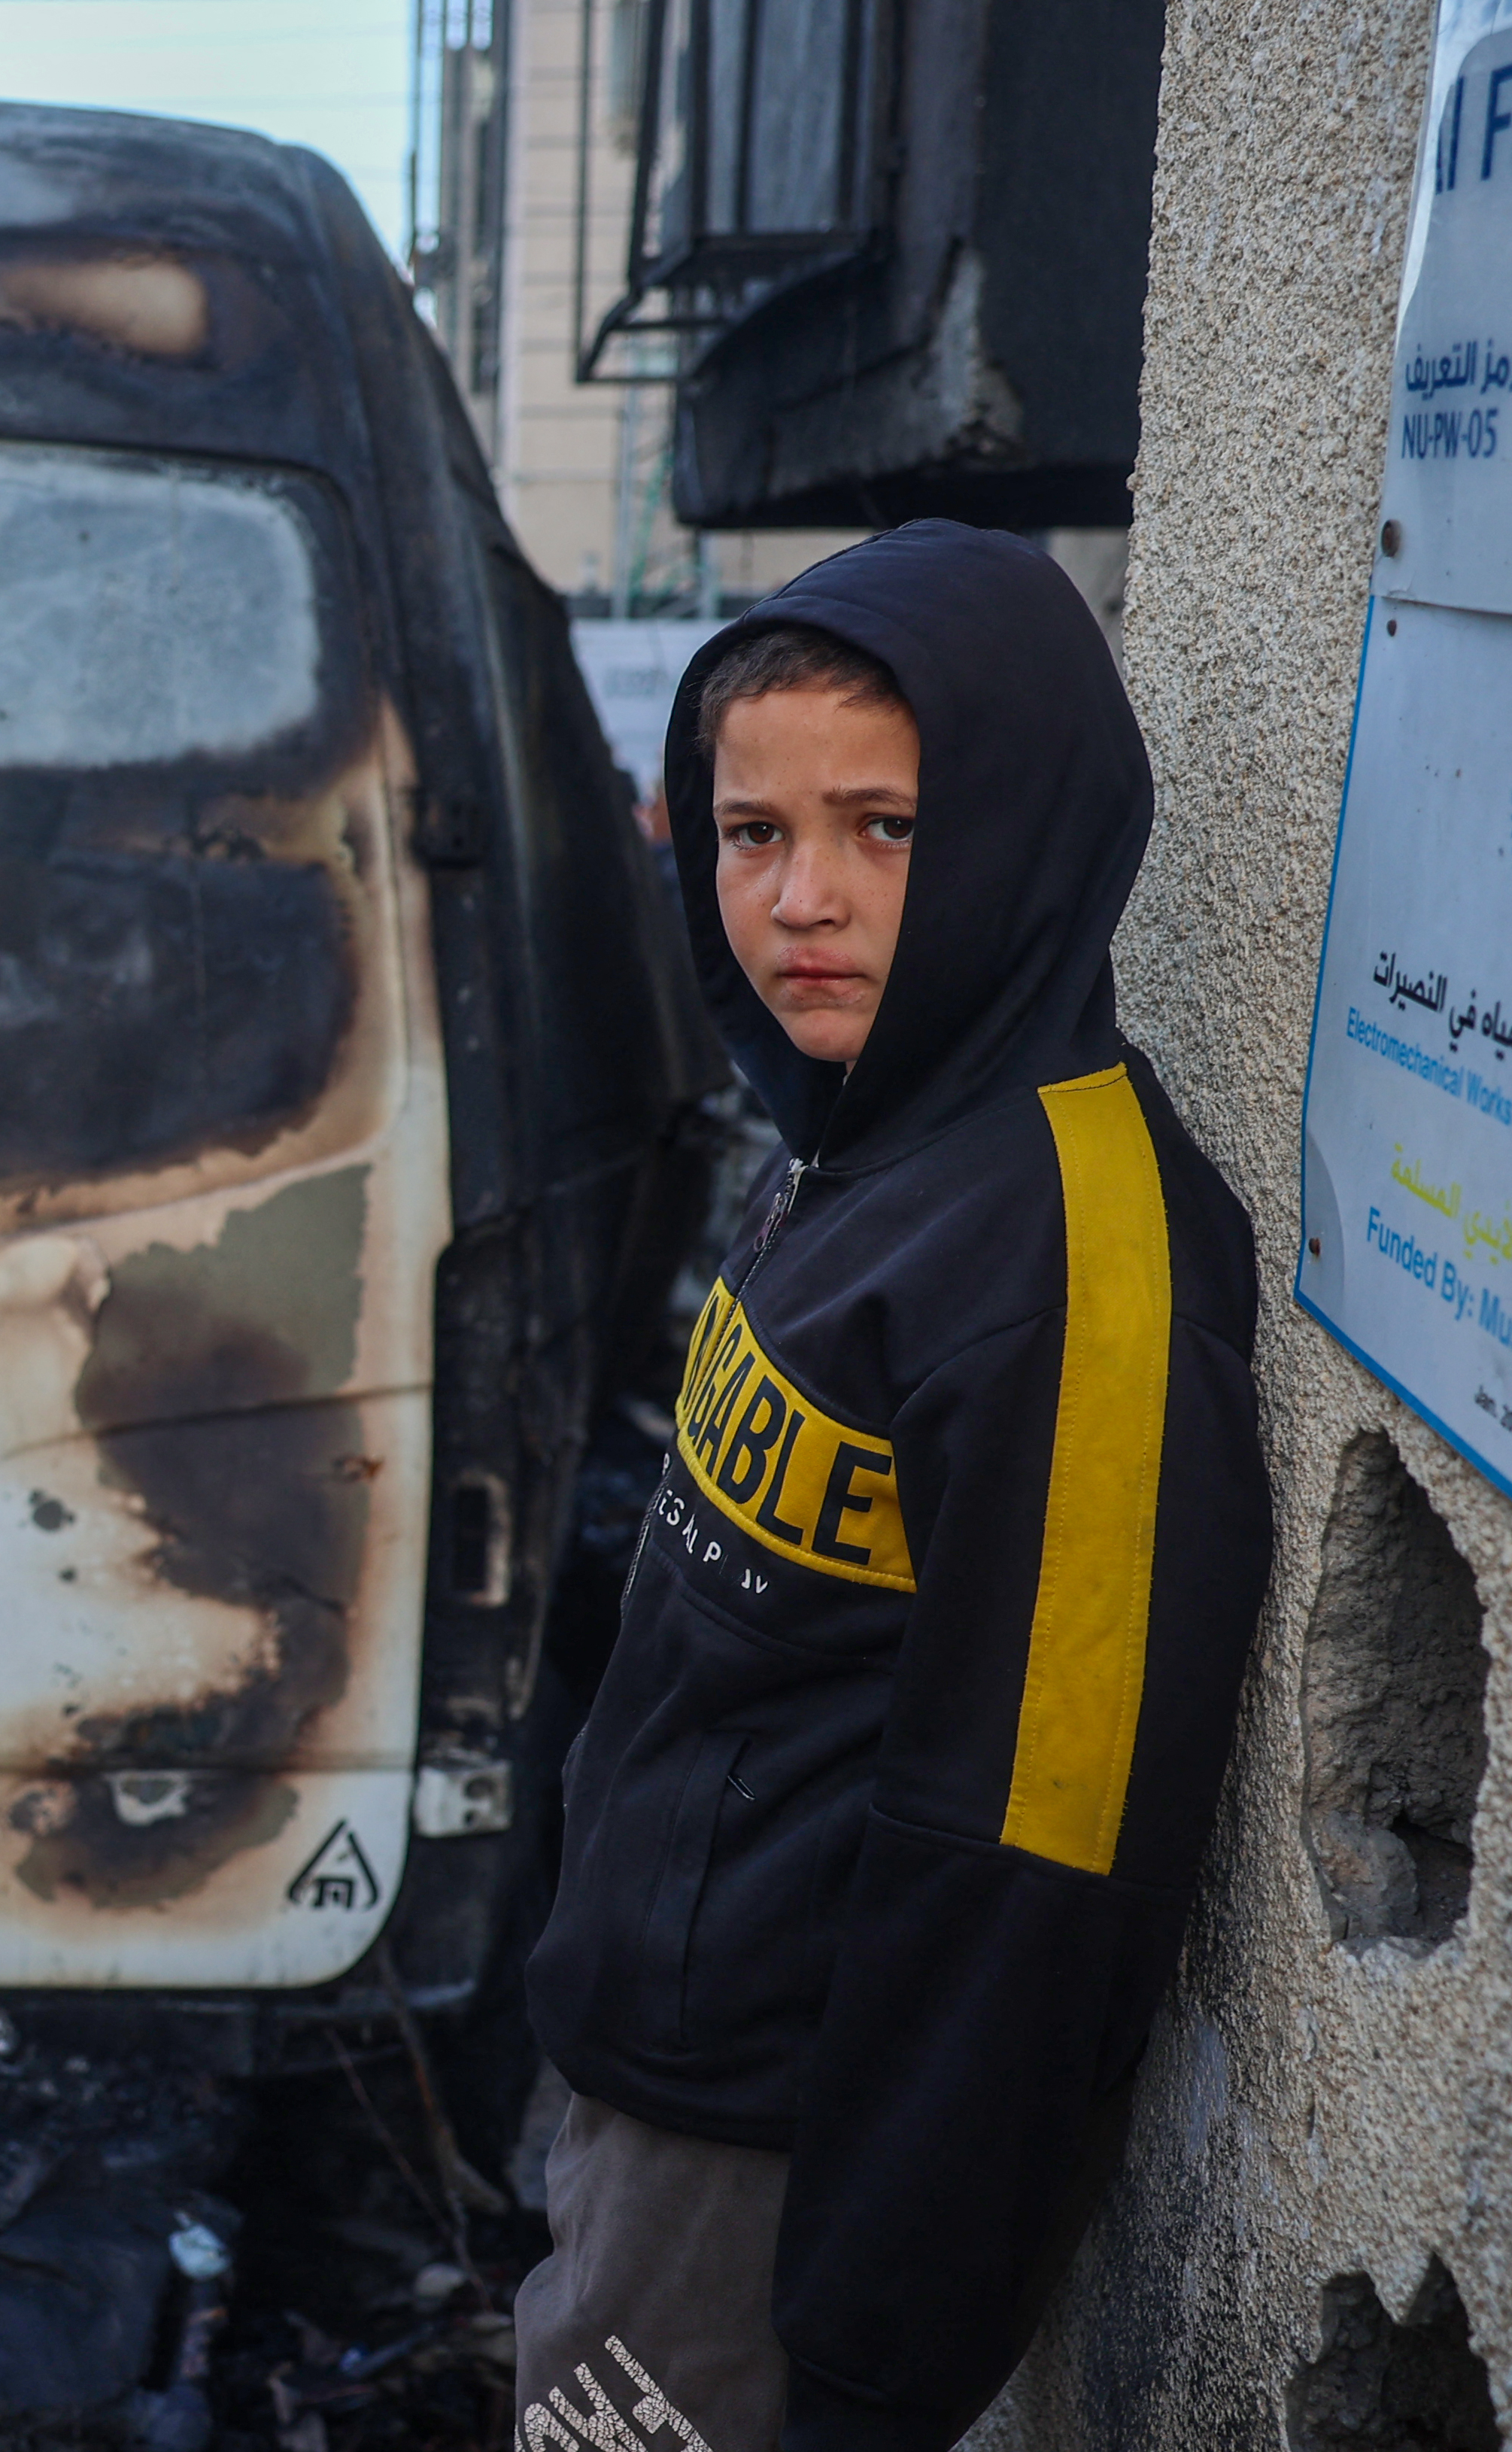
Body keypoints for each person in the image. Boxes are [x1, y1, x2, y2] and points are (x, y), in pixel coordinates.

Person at [514, 524, 1271, 2451]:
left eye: (885, 824)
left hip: (780, 2188)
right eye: (751, 832)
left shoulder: (1071, 1255)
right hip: (656, 2082)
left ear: (1022, 824)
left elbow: (1038, 1861)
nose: (805, 900)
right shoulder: (863, 1135)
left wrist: (866, 2335)